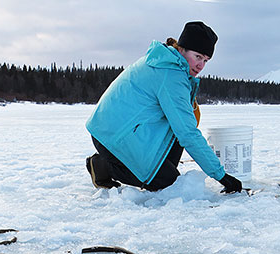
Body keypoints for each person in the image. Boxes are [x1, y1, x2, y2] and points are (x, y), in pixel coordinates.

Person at [85, 21, 242, 194]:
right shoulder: (171, 74)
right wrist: (221, 176)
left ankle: (151, 168)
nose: (201, 66)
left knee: (169, 162)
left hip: (117, 129)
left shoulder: (165, 61)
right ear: (182, 49)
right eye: (198, 57)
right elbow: (187, 133)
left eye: (206, 60)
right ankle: (102, 166)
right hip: (112, 136)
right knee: (165, 182)